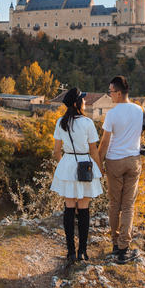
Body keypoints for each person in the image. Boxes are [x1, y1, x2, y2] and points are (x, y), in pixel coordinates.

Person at [98, 75, 145, 263]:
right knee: (128, 205)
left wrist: (99, 164)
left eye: (110, 91)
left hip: (114, 161)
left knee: (115, 204)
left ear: (118, 93)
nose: (110, 95)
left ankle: (115, 244)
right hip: (133, 161)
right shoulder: (140, 110)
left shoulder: (112, 114)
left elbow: (105, 142)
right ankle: (125, 247)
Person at [50, 87, 103, 263]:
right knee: (84, 209)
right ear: (76, 103)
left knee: (69, 208)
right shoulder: (87, 123)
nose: (85, 101)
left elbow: (57, 151)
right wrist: (100, 170)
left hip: (68, 164)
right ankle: (83, 251)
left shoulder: (60, 122)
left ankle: (71, 252)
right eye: (83, 99)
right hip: (85, 166)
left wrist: (64, 166)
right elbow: (94, 151)